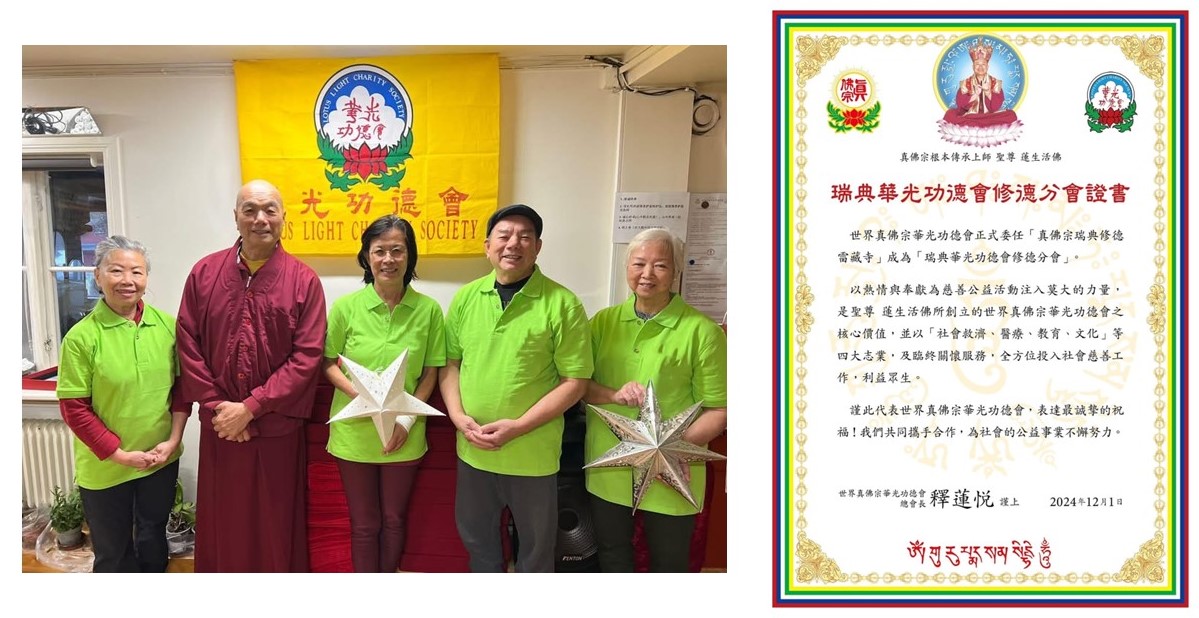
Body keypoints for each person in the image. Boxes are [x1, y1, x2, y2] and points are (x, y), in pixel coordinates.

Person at [175, 179, 327, 572]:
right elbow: (187, 342)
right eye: (250, 210)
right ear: (236, 217)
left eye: (269, 209)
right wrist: (219, 407)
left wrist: (251, 407)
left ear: (283, 217)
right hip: (221, 427)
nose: (260, 219)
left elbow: (307, 356)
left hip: (276, 427)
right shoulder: (205, 273)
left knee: (275, 525)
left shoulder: (303, 280)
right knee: (224, 524)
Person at [439, 203, 593, 572]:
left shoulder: (563, 304)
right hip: (473, 449)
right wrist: (458, 416)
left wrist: (519, 426)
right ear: (487, 246)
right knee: (478, 542)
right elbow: (450, 364)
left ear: (538, 247)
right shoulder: (466, 297)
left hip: (532, 455)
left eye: (525, 237)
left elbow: (575, 382)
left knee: (536, 552)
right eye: (504, 235)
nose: (513, 244)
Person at [583, 228, 727, 572]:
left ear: (676, 271)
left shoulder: (702, 332)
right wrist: (613, 395)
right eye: (639, 263)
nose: (647, 274)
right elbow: (580, 387)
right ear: (627, 268)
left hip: (673, 470)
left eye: (660, 265)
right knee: (612, 555)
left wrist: (671, 452)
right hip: (610, 466)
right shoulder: (602, 323)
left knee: (669, 563)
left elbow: (719, 409)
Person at [56, 236, 188, 572]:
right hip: (106, 467)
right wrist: (118, 454)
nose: (127, 280)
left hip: (159, 459)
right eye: (116, 270)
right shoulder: (81, 337)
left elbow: (181, 390)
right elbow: (74, 408)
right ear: (97, 276)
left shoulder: (167, 326)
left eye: (136, 272)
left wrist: (173, 440)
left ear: (146, 278)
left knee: (153, 538)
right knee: (113, 553)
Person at [323, 215, 446, 572]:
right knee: (364, 524)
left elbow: (431, 372)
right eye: (379, 251)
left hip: (404, 431)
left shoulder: (429, 311)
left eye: (397, 250)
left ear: (410, 256)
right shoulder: (346, 307)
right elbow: (327, 363)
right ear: (366, 256)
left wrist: (405, 421)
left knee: (394, 519)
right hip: (354, 433)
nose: (388, 259)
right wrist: (364, 396)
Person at [941, 37, 1018, 128]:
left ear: (988, 66)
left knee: (1011, 115)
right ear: (973, 66)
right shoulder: (966, 83)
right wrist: (974, 95)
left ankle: (974, 124)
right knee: (950, 114)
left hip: (990, 116)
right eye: (977, 64)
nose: (980, 67)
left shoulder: (995, 82)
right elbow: (960, 105)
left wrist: (988, 92)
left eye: (983, 64)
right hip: (971, 115)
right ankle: (984, 124)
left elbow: (996, 107)